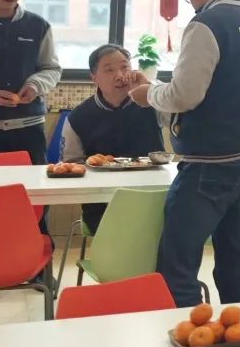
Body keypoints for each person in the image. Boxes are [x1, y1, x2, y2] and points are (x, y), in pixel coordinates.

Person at [129, 0, 240, 307]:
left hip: (212, 163)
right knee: (234, 257)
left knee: (178, 263)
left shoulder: (207, 24)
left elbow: (185, 95)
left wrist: (148, 94)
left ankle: (188, 333)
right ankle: (239, 328)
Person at [0, 0, 61, 301]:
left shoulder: (38, 25)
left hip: (27, 128)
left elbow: (51, 68)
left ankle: (39, 270)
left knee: (36, 199)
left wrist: (36, 85)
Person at [61, 45, 166, 234]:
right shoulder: (78, 117)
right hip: (103, 205)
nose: (120, 75)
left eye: (125, 67)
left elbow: (184, 118)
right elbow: (72, 164)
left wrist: (150, 89)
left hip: (153, 198)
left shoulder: (152, 103)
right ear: (94, 78)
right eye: (109, 70)